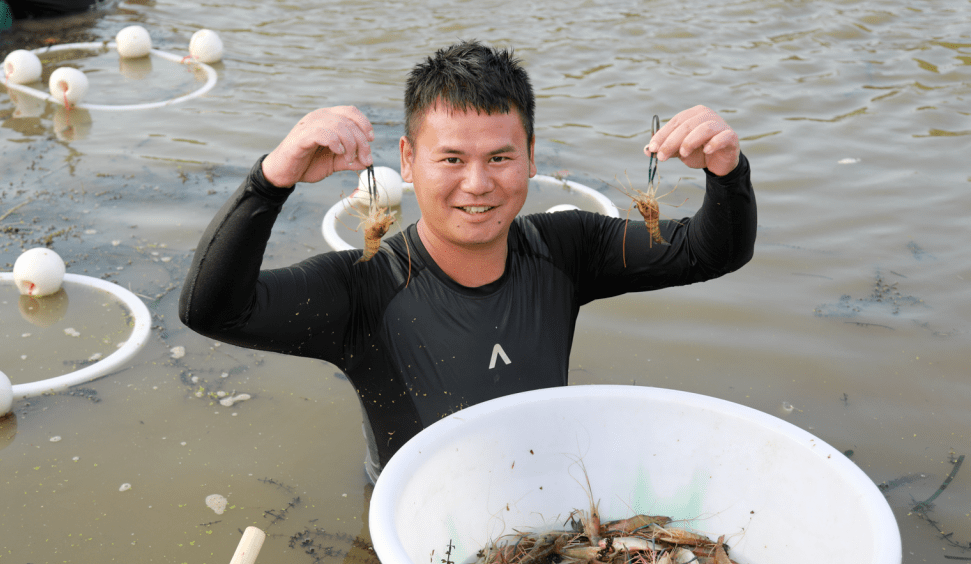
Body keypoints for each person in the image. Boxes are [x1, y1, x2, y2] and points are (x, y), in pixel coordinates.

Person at [179, 41, 756, 483]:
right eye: (450, 157)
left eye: (501, 156)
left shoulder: (565, 248)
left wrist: (726, 170)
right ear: (407, 161)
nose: (477, 184)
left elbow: (712, 250)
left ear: (531, 157)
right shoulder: (362, 289)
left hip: (543, 503)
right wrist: (270, 180)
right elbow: (212, 311)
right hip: (418, 529)